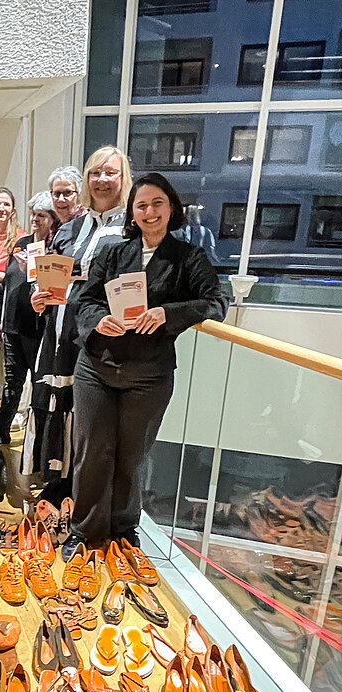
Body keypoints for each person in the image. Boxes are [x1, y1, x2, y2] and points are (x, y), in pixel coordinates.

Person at [61, 173, 230, 559]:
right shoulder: (113, 253)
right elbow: (83, 301)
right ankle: (84, 531)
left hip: (148, 375)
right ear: (132, 213)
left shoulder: (189, 258)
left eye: (157, 203)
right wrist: (97, 320)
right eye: (141, 205)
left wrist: (167, 313)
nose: (149, 212)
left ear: (172, 208)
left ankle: (123, 530)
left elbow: (216, 303)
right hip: (96, 367)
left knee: (131, 454)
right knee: (91, 451)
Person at [22, 146, 132, 504]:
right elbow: (53, 279)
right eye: (95, 173)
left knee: (90, 414)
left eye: (110, 173)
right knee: (56, 401)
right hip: (58, 330)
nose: (101, 180)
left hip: (101, 337)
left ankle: (85, 490)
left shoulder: (130, 229)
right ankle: (57, 479)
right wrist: (40, 299)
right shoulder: (69, 229)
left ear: (123, 178)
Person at [0, 191, 58, 444]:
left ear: (52, 219)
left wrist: (30, 270)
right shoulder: (21, 244)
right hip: (12, 325)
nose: (35, 220)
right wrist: (0, 321)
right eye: (33, 214)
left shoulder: (54, 249)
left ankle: (37, 439)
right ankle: (1, 429)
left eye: (41, 215)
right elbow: (7, 285)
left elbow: (50, 290)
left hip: (37, 327)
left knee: (39, 384)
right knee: (12, 382)